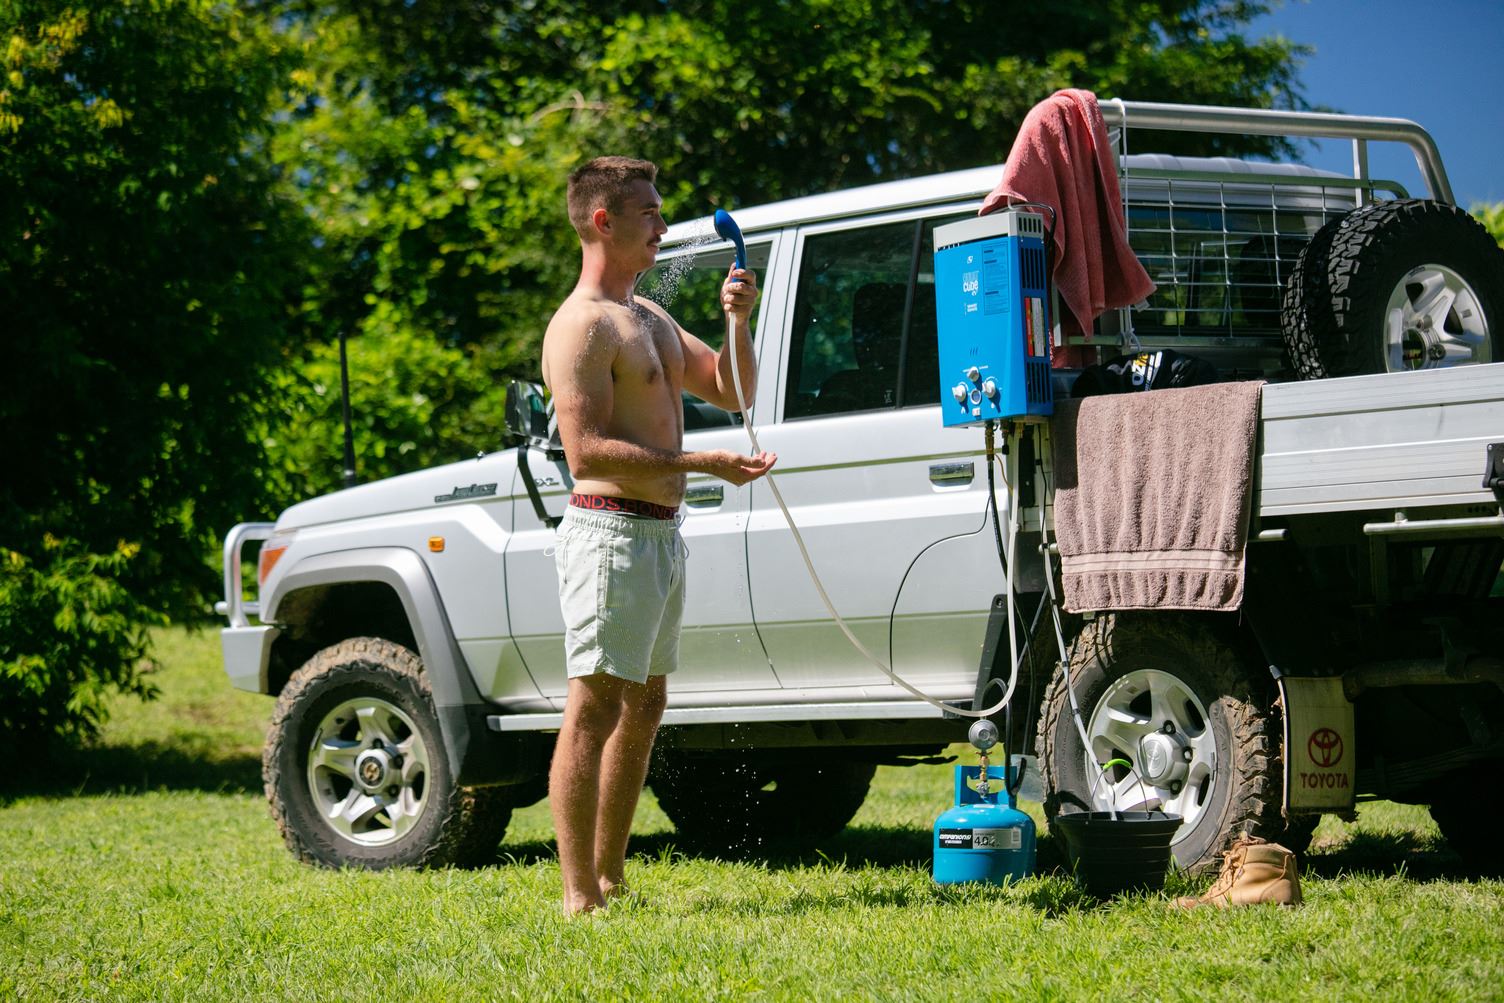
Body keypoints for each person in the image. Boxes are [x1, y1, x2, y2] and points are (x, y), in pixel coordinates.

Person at [541, 156, 776, 916]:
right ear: (603, 221)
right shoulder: (583, 324)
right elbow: (588, 453)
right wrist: (703, 460)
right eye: (648, 212)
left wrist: (739, 319)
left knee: (645, 704)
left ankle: (610, 874)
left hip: (659, 535)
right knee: (595, 705)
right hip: (608, 533)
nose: (663, 224)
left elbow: (733, 388)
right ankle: (579, 894)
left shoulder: (650, 317)